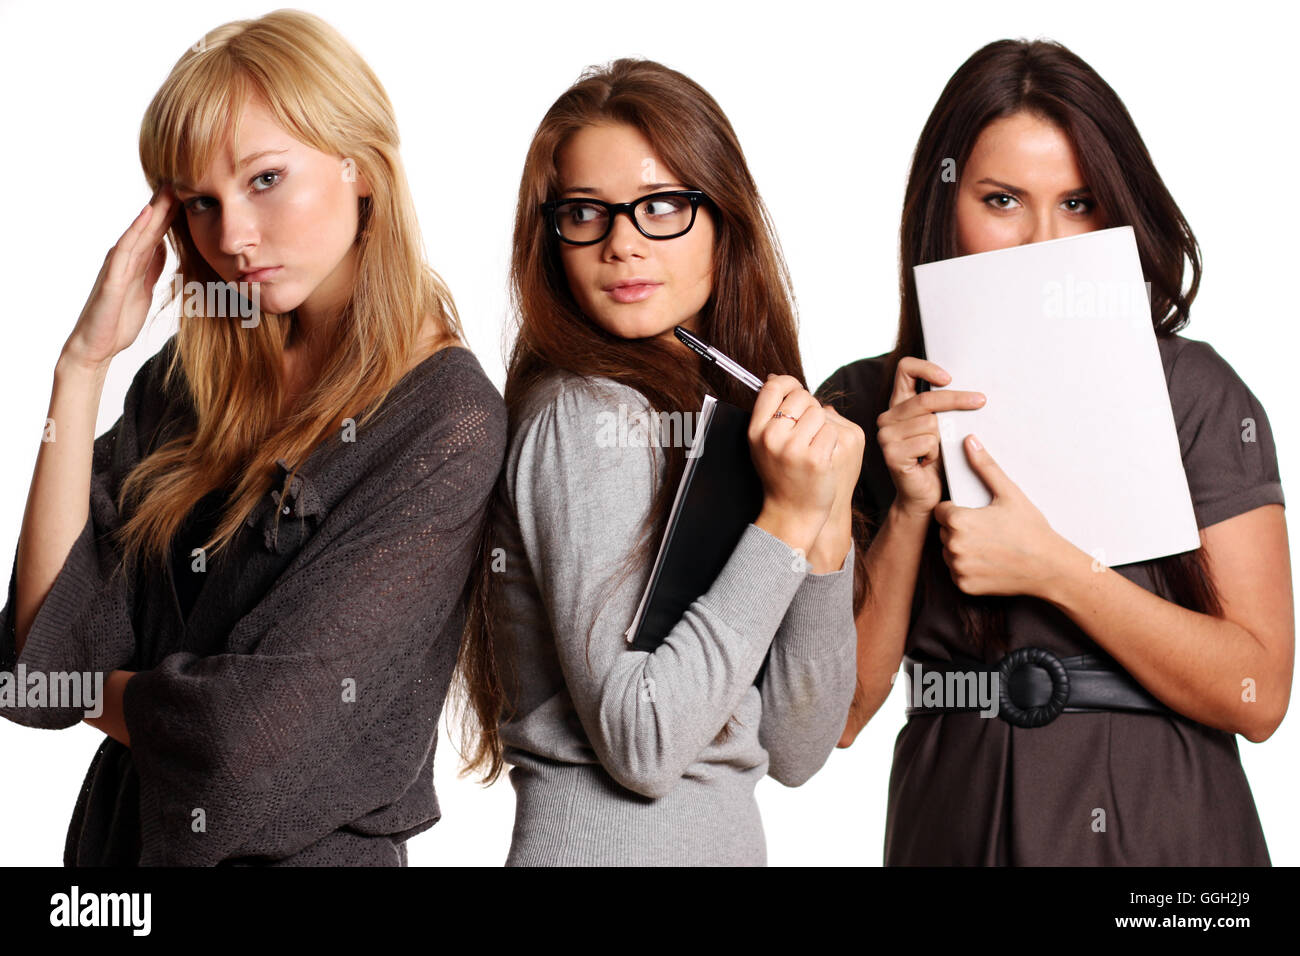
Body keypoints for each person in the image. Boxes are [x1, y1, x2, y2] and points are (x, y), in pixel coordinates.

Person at [0, 10, 506, 866]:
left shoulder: (445, 419)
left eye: (264, 179)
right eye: (200, 201)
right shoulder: (193, 375)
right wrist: (81, 367)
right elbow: (41, 656)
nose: (230, 238)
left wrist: (104, 695)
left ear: (360, 164)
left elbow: (246, 743)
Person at [820, 38, 1292, 865]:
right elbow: (842, 715)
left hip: (1163, 828)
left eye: (1078, 203)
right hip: (951, 820)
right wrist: (908, 508)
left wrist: (1055, 570)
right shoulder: (860, 406)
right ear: (944, 208)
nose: (1045, 239)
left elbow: (1258, 694)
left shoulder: (1197, 391)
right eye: (1002, 200)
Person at [454, 58, 862, 866]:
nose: (622, 245)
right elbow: (642, 742)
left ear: (724, 220)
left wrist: (825, 521)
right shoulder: (583, 414)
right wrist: (784, 521)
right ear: (552, 237)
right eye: (585, 213)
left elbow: (797, 746)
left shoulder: (709, 420)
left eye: (662, 206)